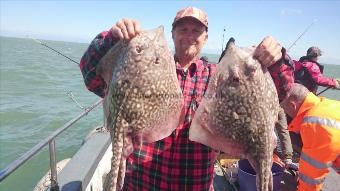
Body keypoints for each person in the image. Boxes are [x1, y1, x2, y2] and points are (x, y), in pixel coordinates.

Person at [80, 6, 283, 190]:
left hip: (194, 185)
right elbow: (91, 77)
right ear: (173, 34)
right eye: (183, 30)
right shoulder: (143, 65)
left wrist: (275, 60)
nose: (189, 35)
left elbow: (278, 94)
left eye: (196, 31)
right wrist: (112, 39)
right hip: (142, 183)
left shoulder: (220, 78)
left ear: (205, 37)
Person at [280, 83, 340, 191]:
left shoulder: (313, 124)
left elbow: (310, 181)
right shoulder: (326, 105)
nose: (284, 113)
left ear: (293, 105)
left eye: (284, 109)